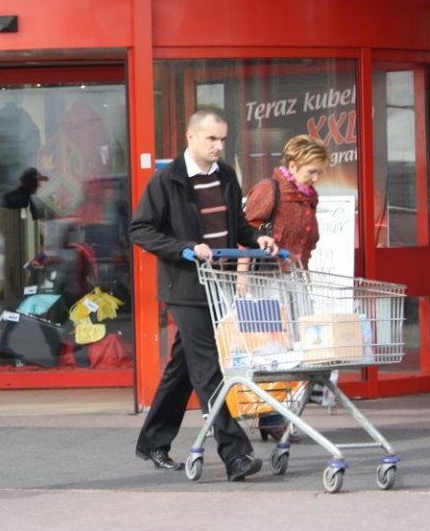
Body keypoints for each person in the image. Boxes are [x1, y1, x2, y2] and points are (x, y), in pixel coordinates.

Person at [130, 109, 277, 481]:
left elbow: (236, 224)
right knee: (208, 368)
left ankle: (152, 441)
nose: (218, 146)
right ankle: (236, 454)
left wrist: (255, 237)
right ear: (191, 137)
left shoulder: (226, 175)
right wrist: (184, 247)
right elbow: (141, 229)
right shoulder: (168, 181)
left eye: (223, 139)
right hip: (185, 287)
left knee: (184, 367)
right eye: (211, 139)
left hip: (219, 283)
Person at [243, 133, 330, 442]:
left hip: (295, 277)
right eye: (311, 171)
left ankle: (283, 413)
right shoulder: (270, 190)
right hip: (267, 279)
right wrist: (242, 281)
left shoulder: (309, 196)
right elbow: (247, 233)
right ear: (293, 165)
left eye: (319, 172)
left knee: (296, 347)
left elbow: (307, 239)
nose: (316, 178)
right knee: (272, 349)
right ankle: (270, 416)